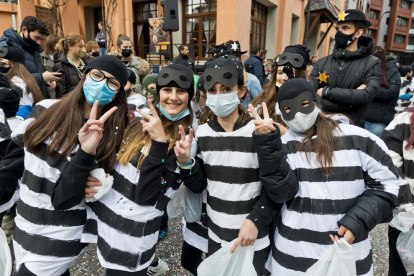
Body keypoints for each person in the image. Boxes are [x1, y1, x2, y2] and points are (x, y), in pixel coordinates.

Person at [250, 78, 399, 276]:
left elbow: (387, 183)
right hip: (292, 258)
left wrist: (359, 220)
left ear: (315, 102)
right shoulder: (282, 147)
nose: (297, 114)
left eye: (304, 104)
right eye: (288, 109)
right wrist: (267, 145)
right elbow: (280, 192)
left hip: (346, 255)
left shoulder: (358, 139)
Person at [1, 55, 129, 276]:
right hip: (26, 222)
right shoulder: (44, 109)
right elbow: (13, 160)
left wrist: (87, 152)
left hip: (62, 234)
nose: (101, 85)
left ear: (118, 92)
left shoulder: (109, 136)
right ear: (85, 76)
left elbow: (65, 199)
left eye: (112, 82)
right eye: (97, 76)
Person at [175, 54, 298, 275]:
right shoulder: (202, 133)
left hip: (253, 237)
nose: (218, 95)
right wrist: (187, 164)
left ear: (241, 91)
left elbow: (276, 186)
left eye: (226, 89)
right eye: (212, 91)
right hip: (216, 236)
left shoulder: (257, 131)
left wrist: (256, 219)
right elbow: (200, 184)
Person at [80, 64, 195, 275]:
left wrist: (160, 143)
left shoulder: (185, 139)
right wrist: (96, 176)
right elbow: (118, 163)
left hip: (133, 240)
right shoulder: (137, 122)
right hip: (109, 227)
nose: (173, 97)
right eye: (167, 90)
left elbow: (147, 197)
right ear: (158, 92)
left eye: (181, 91)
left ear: (190, 96)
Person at [309, 9, 382, 128]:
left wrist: (326, 91)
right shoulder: (321, 62)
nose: (339, 32)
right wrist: (350, 103)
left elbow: (364, 96)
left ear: (358, 33)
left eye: (345, 28)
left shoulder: (372, 63)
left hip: (351, 131)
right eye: (338, 28)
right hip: (321, 127)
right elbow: (311, 96)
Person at [381, 112, 414, 276]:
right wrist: (407, 208)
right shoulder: (403, 122)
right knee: (401, 267)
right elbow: (390, 166)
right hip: (407, 217)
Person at [0, 16, 61, 98]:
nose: (39, 42)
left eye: (41, 39)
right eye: (37, 37)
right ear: (24, 30)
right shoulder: (6, 46)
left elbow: (36, 71)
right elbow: (5, 78)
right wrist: (41, 77)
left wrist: (47, 80)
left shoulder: (34, 47)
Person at [251, 44, 310, 122]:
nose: (284, 78)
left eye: (290, 73)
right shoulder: (264, 98)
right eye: (280, 73)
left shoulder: (308, 103)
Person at [365, 46, 401, 137]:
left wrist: (368, 89)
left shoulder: (393, 72)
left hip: (379, 121)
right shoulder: (366, 69)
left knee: (374, 149)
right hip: (362, 118)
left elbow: (391, 92)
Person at [221, 40, 262, 109]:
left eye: (237, 56)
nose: (233, 59)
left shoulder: (251, 80)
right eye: (229, 55)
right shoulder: (217, 80)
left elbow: (259, 105)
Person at [53, 34, 88, 98]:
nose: (83, 49)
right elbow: (61, 93)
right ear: (70, 46)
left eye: (83, 46)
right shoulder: (60, 66)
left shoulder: (87, 62)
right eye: (80, 46)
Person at [40, 34, 60, 99]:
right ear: (53, 44)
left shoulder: (62, 56)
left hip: (62, 88)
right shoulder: (42, 58)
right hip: (50, 90)